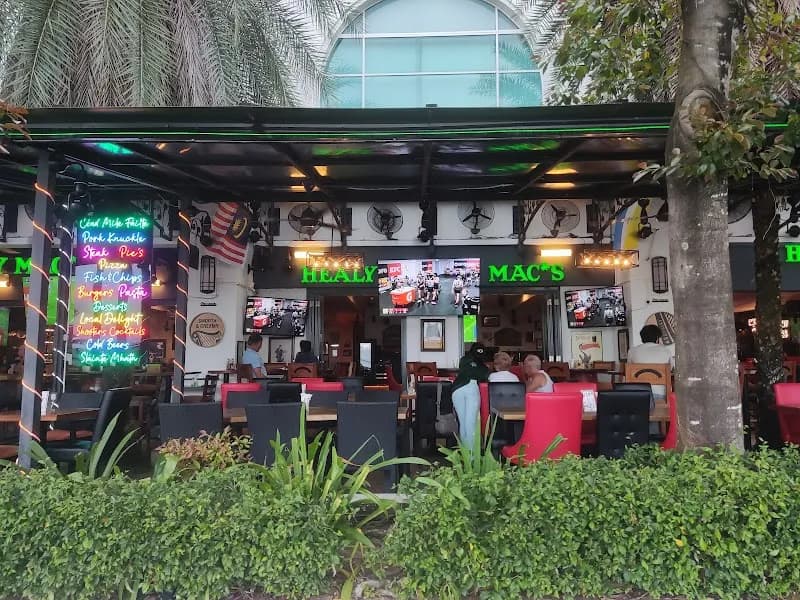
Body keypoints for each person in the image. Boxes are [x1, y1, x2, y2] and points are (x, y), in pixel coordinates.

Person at [451, 342, 490, 449]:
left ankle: (465, 454)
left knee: (463, 423)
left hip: (456, 389)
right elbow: (484, 378)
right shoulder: (484, 368)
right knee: (471, 423)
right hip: (472, 387)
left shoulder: (464, 360)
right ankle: (472, 458)